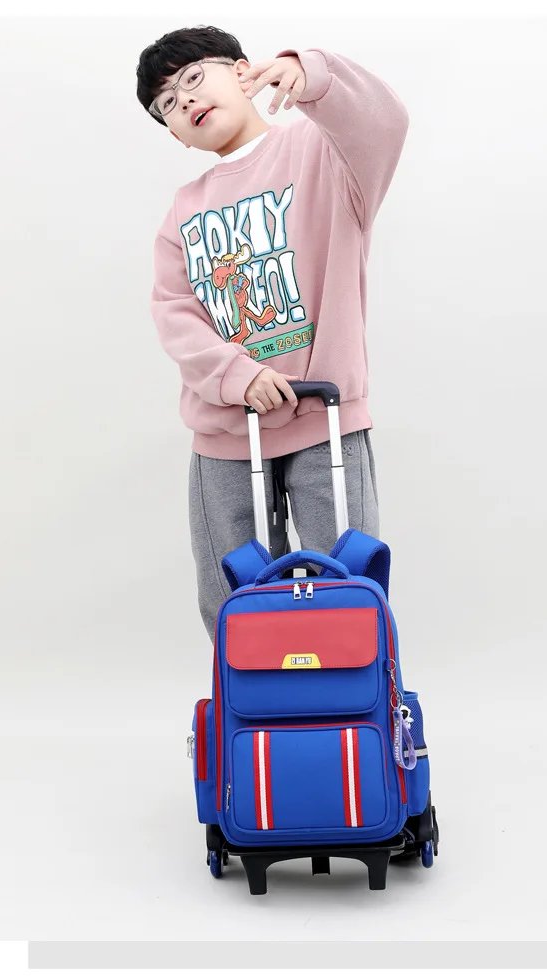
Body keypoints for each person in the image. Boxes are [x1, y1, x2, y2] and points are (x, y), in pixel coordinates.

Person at [136, 24, 409, 640]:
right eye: (167, 104)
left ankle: (354, 699)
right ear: (175, 134)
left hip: (326, 420)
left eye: (193, 78)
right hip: (225, 434)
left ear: (242, 71)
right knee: (231, 597)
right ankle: (254, 701)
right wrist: (237, 375)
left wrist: (315, 74)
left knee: (346, 586)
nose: (185, 100)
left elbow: (386, 121)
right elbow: (174, 312)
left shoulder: (324, 152)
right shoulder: (183, 210)